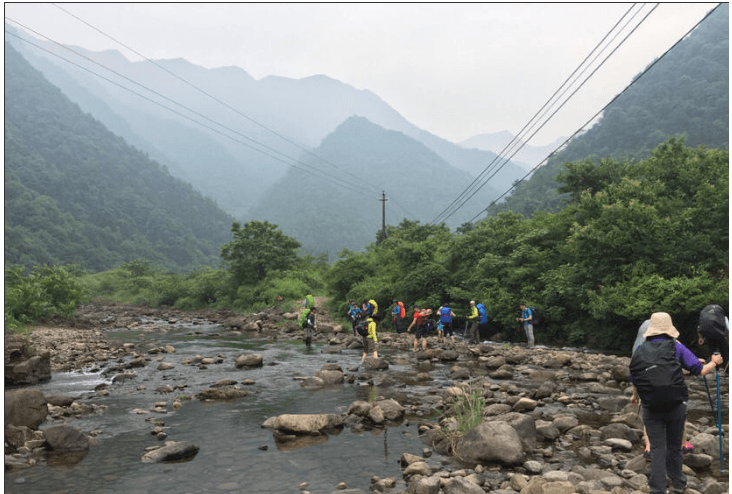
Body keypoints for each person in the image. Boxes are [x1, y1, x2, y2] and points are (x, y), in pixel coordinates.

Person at [630, 312, 722, 494]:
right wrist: (714, 362)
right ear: (669, 329)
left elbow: (635, 378)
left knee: (657, 448)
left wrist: (636, 397)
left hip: (651, 406)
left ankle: (657, 488)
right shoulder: (677, 347)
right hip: (675, 405)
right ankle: (678, 483)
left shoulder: (640, 349)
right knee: (674, 446)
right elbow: (700, 370)